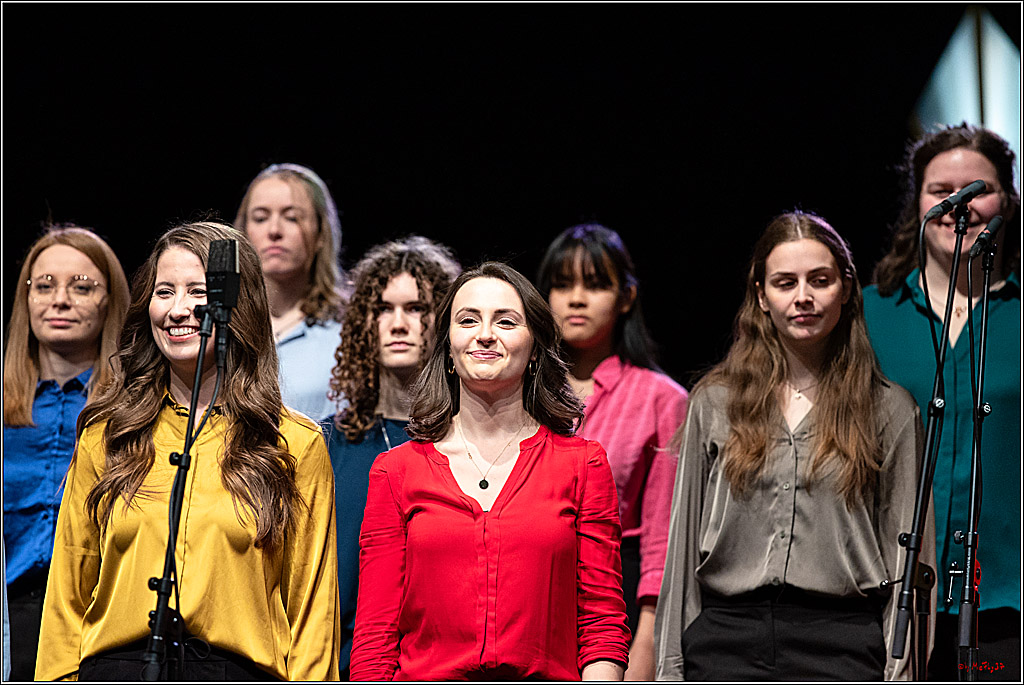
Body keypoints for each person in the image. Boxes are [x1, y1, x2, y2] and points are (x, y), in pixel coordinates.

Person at [36, 222, 339, 680]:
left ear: (238, 304)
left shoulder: (292, 444)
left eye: (198, 292)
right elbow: (67, 594)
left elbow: (313, 612)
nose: (178, 310)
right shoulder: (108, 435)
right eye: (164, 292)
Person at [655, 211, 929, 681]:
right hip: (727, 642)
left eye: (819, 280)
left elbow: (909, 557)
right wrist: (670, 670)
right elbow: (681, 553)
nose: (803, 296)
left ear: (846, 288)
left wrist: (901, 672)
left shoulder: (889, 409)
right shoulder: (716, 402)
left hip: (841, 647)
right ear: (761, 296)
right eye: (785, 283)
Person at [350, 262, 631, 681]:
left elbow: (602, 622)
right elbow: (375, 635)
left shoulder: (582, 465)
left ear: (534, 348)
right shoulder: (396, 471)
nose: (485, 334)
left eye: (505, 321)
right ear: (448, 346)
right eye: (468, 320)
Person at [864, 123, 1021, 681]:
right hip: (887, 591)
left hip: (1008, 598)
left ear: (1008, 201)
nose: (961, 205)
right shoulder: (869, 313)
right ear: (920, 204)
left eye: (979, 190)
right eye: (942, 191)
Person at [536, 223, 688, 680]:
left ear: (626, 297)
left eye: (595, 284)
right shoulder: (521, 392)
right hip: (529, 592)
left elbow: (663, 542)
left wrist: (645, 647)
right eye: (562, 285)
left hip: (615, 598)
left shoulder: (662, 399)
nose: (576, 299)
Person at [321, 235, 460, 676]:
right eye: (383, 309)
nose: (398, 324)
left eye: (416, 309)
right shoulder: (327, 444)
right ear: (363, 322)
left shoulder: (467, 442)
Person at [2, 225, 130, 681]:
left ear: (109, 300)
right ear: (26, 298)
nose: (59, 300)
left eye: (81, 287)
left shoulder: (132, 411)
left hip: (97, 622)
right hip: (10, 618)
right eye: (44, 286)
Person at [235, 163, 346, 420]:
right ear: (244, 232)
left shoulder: (348, 330)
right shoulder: (222, 324)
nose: (274, 231)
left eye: (292, 217)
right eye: (260, 218)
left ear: (321, 233)